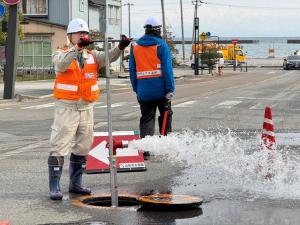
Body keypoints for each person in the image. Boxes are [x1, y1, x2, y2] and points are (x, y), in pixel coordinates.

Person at [48, 18, 131, 200]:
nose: (83, 37)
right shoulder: (60, 53)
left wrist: (121, 47)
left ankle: (76, 183)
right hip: (66, 107)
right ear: (70, 36)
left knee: (84, 146)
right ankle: (54, 186)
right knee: (59, 145)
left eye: (85, 34)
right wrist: (76, 48)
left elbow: (109, 56)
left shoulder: (92, 56)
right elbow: (61, 65)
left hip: (86, 107)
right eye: (79, 34)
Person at [129, 16, 175, 139]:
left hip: (143, 91)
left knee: (147, 118)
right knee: (166, 115)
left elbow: (132, 71)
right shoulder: (161, 46)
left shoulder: (136, 47)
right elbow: (167, 70)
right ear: (158, 30)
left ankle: (146, 149)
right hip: (161, 91)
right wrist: (170, 89)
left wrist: (136, 89)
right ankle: (166, 143)